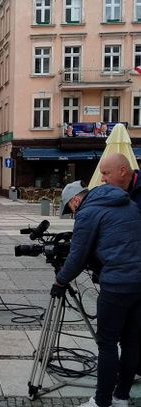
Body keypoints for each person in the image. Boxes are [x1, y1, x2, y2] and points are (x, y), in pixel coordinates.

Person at [53, 181, 141, 407]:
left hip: (117, 284)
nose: (73, 214)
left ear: (75, 200)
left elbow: (77, 256)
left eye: (70, 210)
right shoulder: (128, 203)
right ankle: (121, 397)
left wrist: (61, 280)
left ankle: (102, 402)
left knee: (108, 344)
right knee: (132, 342)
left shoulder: (88, 211)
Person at [99, 152, 141, 377]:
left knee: (111, 339)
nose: (102, 179)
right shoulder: (120, 195)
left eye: (105, 173)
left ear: (123, 171)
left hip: (126, 279)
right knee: (131, 337)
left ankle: (105, 397)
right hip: (131, 275)